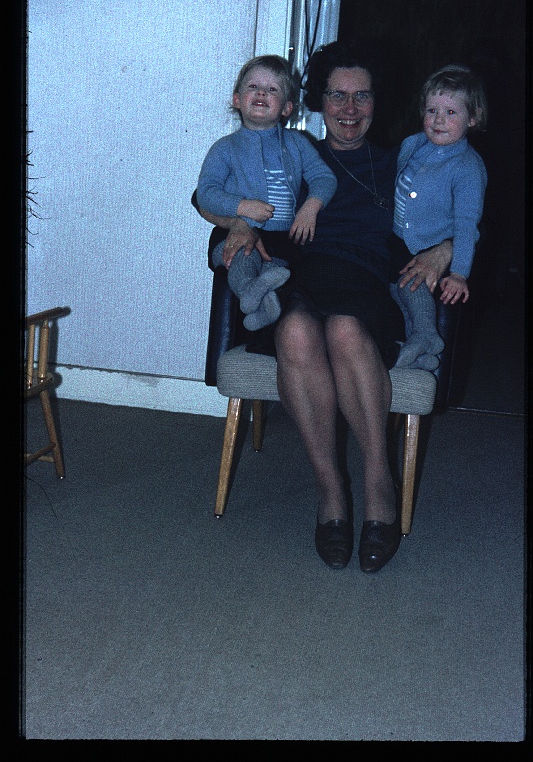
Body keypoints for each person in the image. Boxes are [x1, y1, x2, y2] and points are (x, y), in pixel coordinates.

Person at [196, 41, 452, 574]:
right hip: (293, 278)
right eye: (338, 96)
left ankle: (378, 481)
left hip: (365, 285)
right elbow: (206, 195)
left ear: (378, 102)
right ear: (316, 101)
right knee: (294, 333)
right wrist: (238, 222)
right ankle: (330, 491)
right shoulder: (294, 152)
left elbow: (466, 203)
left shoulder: (398, 163)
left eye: (362, 96)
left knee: (344, 329)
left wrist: (443, 252)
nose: (350, 109)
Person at [196, 55, 337, 331]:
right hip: (237, 233)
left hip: (284, 238)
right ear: (237, 100)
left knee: (281, 272)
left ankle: (260, 309)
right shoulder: (225, 148)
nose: (261, 93)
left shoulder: (297, 144)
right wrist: (242, 206)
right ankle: (251, 293)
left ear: (286, 108)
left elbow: (324, 177)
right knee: (243, 259)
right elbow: (206, 193)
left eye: (272, 90)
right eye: (253, 87)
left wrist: (311, 207)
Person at [389, 64, 488, 370]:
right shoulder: (412, 144)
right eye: (432, 110)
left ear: (473, 117)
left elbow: (467, 225)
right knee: (395, 287)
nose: (438, 120)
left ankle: (425, 336)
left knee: (412, 284)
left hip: (430, 246)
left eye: (451, 113)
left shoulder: (467, 167)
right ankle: (417, 348)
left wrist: (459, 272)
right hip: (398, 240)